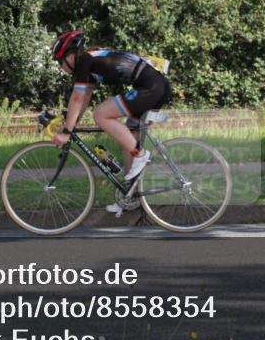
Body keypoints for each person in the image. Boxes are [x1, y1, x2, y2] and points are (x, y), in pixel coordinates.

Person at [49, 30, 172, 210]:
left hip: (150, 88)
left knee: (100, 114)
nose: (61, 67)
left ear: (70, 56)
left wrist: (67, 132)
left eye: (60, 62)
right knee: (128, 140)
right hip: (154, 86)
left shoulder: (84, 59)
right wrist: (70, 124)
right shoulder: (89, 63)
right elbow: (82, 101)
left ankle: (141, 155)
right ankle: (130, 198)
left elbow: (76, 98)